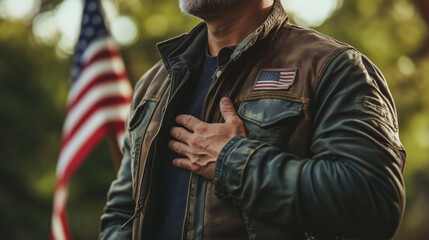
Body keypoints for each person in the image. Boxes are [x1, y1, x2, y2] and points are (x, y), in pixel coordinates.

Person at [99, 0, 406, 239]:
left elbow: (374, 202)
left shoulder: (332, 68)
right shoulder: (154, 84)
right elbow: (123, 212)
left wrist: (232, 163)